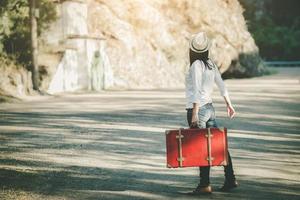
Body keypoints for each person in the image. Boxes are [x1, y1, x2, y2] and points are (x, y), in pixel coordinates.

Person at [185, 32, 238, 194]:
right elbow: (222, 85)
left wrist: (194, 113)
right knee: (217, 144)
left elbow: (196, 91)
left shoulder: (195, 66)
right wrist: (229, 104)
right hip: (210, 109)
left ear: (192, 51)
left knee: (203, 147)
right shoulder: (211, 64)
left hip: (199, 110)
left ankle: (204, 184)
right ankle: (230, 178)